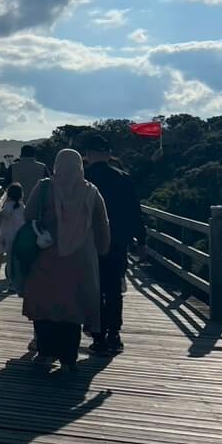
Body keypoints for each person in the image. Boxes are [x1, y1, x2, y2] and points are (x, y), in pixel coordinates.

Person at [21, 148, 110, 374]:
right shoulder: (91, 192)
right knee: (73, 310)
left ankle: (45, 352)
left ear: (58, 165)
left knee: (45, 306)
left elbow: (28, 215)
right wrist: (102, 250)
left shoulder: (44, 187)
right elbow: (102, 224)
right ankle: (69, 359)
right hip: (80, 260)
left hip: (47, 256)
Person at [81, 133, 145, 356]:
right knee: (114, 288)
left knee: (93, 288)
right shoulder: (123, 178)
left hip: (88, 242)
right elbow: (134, 211)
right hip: (118, 241)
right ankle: (114, 333)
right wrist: (141, 239)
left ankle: (97, 335)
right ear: (108, 154)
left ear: (87, 155)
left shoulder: (83, 178)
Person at [0, 183, 26, 293]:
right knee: (16, 261)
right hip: (19, 236)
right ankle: (17, 283)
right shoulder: (22, 205)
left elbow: (6, 214)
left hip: (10, 237)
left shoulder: (8, 205)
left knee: (10, 261)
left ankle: (12, 285)